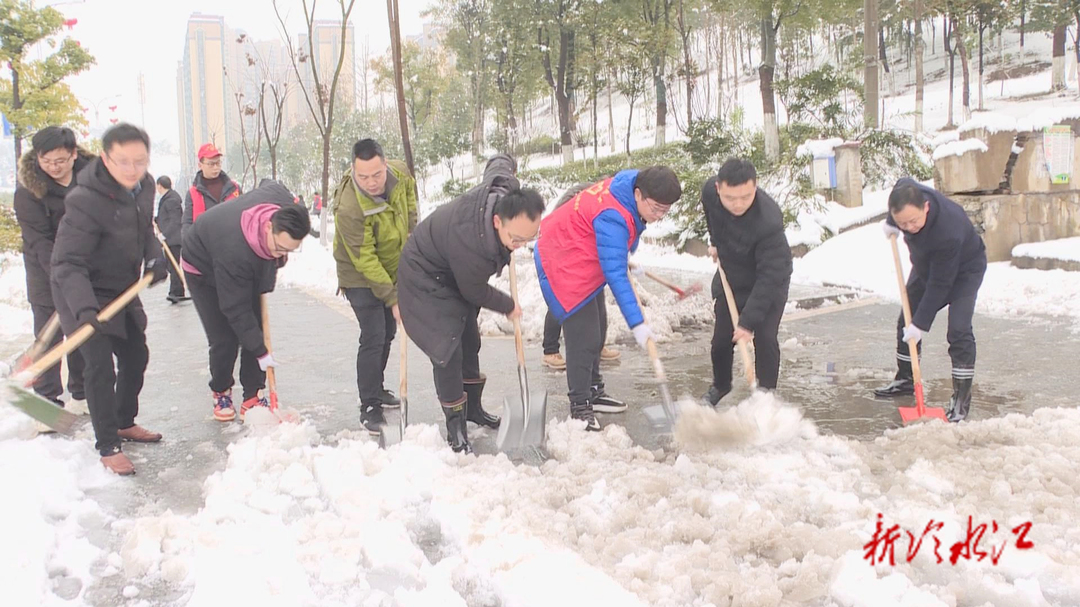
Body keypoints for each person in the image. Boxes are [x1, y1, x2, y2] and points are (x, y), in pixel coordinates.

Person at [397, 154, 543, 453]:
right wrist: (508, 304)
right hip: (425, 278)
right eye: (515, 239)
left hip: (451, 269)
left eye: (528, 239)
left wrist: (503, 159)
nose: (520, 246)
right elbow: (474, 290)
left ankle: (472, 409)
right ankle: (456, 428)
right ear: (496, 221)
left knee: (469, 340)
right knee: (448, 349)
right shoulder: (472, 243)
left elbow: (499, 174)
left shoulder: (504, 196)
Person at [51, 123, 169, 475]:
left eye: (140, 161)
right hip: (80, 289)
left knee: (136, 354)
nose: (133, 170)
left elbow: (145, 229)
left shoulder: (144, 186)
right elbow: (68, 263)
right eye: (123, 162)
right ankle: (107, 444)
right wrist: (85, 309)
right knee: (99, 367)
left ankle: (123, 420)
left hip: (120, 289)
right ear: (104, 158)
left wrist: (153, 257)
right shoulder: (85, 199)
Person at [534, 166, 683, 431]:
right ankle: (580, 407)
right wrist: (637, 324)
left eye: (666, 210)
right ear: (638, 195)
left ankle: (594, 390)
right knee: (584, 337)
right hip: (560, 258)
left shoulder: (631, 183)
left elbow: (619, 239)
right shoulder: (614, 214)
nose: (659, 217)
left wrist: (623, 255)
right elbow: (615, 275)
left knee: (599, 327)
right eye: (657, 209)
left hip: (580, 249)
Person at [181, 180, 309, 422]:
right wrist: (261, 352)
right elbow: (236, 309)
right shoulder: (234, 251)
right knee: (225, 338)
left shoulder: (282, 204)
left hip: (244, 258)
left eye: (288, 251)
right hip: (202, 266)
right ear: (269, 226)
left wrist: (275, 260)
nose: (281, 255)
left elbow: (270, 184)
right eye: (279, 247)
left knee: (256, 329)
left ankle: (252, 394)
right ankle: (221, 389)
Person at [874, 178, 987, 423]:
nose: (910, 227)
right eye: (903, 223)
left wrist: (920, 325)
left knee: (959, 329)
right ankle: (905, 379)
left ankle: (961, 400)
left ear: (926, 207)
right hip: (927, 265)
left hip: (965, 271)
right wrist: (892, 223)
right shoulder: (906, 194)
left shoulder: (949, 228)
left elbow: (940, 284)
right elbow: (901, 186)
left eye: (913, 221)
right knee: (906, 317)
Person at [332, 139, 418, 434]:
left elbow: (410, 211)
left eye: (376, 175)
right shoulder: (350, 208)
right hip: (357, 274)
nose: (371, 182)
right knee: (374, 334)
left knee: (389, 332)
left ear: (385, 164)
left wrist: (412, 248)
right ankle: (369, 403)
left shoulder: (401, 175)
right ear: (354, 171)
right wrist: (394, 299)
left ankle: (378, 388)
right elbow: (365, 260)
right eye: (363, 176)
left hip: (392, 264)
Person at [700, 159, 793, 406]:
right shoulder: (710, 193)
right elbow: (711, 213)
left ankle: (765, 397)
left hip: (768, 281)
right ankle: (720, 385)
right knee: (721, 341)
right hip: (731, 275)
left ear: (755, 187)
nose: (738, 204)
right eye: (731, 198)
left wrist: (747, 323)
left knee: (764, 338)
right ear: (719, 189)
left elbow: (770, 277)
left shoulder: (769, 222)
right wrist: (715, 241)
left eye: (746, 196)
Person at [13, 126, 90, 411]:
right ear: (38, 157)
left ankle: (81, 393)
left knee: (81, 328)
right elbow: (37, 239)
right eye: (47, 161)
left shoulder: (93, 178)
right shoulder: (28, 190)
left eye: (60, 161)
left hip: (85, 263)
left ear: (73, 154)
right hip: (44, 267)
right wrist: (60, 275)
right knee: (48, 331)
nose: (53, 167)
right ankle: (47, 400)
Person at [539, 183, 620, 370]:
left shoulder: (610, 202)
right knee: (562, 298)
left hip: (584, 251)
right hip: (562, 247)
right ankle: (550, 350)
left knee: (597, 294)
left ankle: (597, 347)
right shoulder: (584, 199)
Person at [181, 143, 240, 237]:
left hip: (232, 242)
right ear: (200, 165)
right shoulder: (193, 193)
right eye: (211, 164)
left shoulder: (234, 188)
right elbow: (187, 224)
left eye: (218, 163)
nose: (216, 167)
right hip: (205, 245)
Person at [155, 175, 187, 303]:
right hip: (170, 239)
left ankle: (176, 292)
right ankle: (177, 290)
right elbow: (165, 218)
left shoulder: (171, 200)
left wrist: (165, 234)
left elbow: (174, 221)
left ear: (159, 186)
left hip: (173, 238)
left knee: (173, 265)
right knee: (171, 265)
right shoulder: (167, 199)